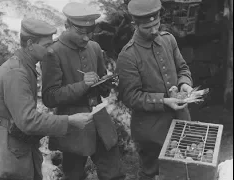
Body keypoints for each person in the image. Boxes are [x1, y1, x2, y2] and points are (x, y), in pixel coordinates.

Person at [0, 17, 93, 180]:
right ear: (30, 44)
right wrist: (68, 121)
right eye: (46, 45)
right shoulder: (17, 74)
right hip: (2, 157)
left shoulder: (24, 67)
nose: (50, 50)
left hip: (8, 152)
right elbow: (27, 120)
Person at [41, 2, 125, 180]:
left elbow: (102, 88)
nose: (86, 38)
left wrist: (108, 83)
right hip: (73, 126)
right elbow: (49, 97)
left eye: (90, 32)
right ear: (67, 26)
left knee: (114, 172)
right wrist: (82, 85)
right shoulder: (52, 53)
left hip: (100, 120)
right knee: (74, 175)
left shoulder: (94, 47)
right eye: (81, 32)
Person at [116, 0, 193, 179]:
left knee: (184, 169)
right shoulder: (128, 56)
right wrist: (164, 101)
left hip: (181, 120)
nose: (153, 31)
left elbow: (183, 68)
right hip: (151, 130)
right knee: (153, 172)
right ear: (135, 24)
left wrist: (184, 83)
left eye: (156, 24)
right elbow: (130, 97)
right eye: (147, 27)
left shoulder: (168, 39)